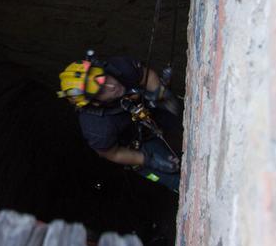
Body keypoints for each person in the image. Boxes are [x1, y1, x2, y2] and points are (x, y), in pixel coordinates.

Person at [57, 52, 183, 192]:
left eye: (106, 79)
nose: (112, 86)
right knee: (175, 178)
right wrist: (149, 160)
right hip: (136, 145)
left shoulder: (119, 68)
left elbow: (145, 76)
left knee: (178, 117)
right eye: (101, 91)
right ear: (95, 103)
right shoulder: (97, 128)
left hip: (148, 109)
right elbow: (113, 153)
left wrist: (160, 94)